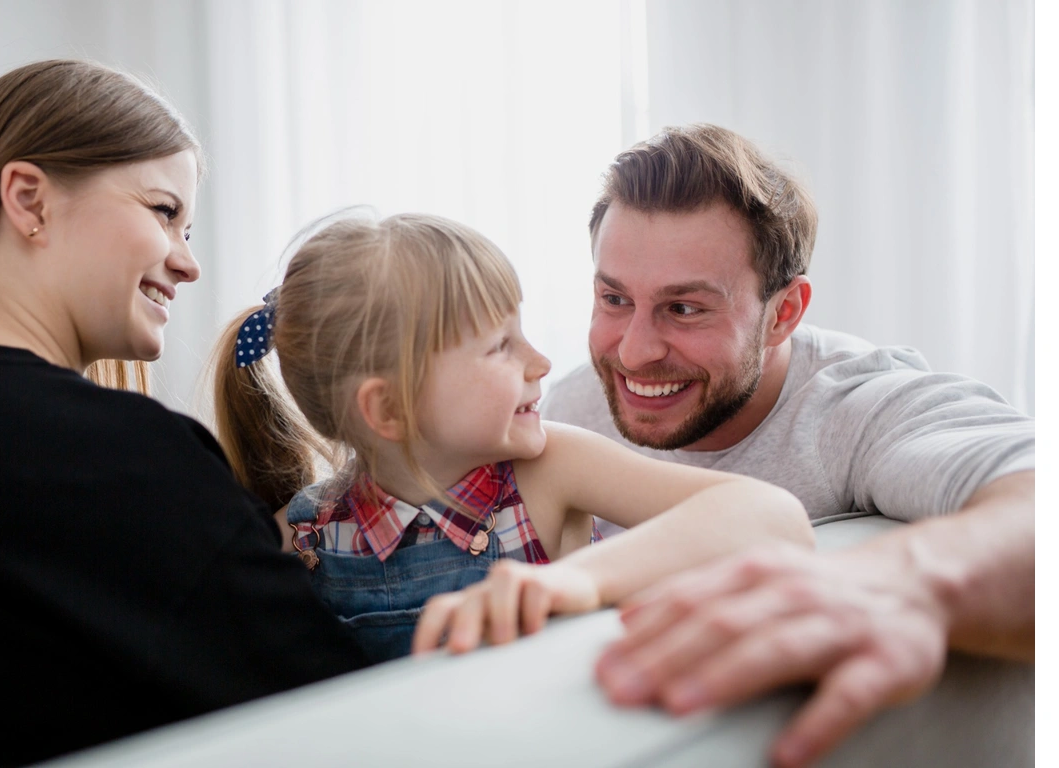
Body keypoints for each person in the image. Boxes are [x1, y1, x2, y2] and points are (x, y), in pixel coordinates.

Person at [0, 60, 371, 768]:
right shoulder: (131, 458)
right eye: (164, 212)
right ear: (28, 200)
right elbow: (352, 726)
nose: (188, 263)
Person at [536, 124, 1034, 767]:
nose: (633, 351)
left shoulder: (852, 405)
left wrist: (906, 581)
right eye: (613, 298)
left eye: (684, 309)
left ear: (786, 312)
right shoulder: (576, 403)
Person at [210, 212, 813, 663]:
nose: (541, 361)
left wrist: (580, 578)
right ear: (388, 408)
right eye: (501, 346)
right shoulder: (304, 536)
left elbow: (772, 517)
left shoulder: (549, 471)